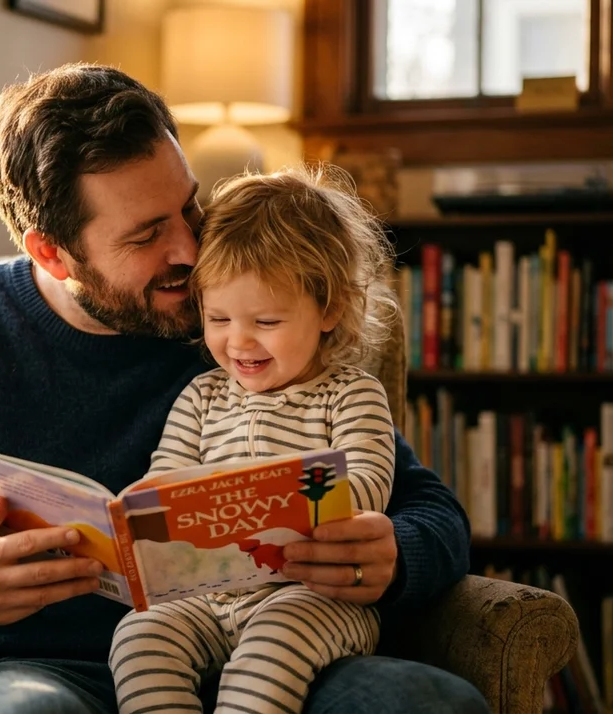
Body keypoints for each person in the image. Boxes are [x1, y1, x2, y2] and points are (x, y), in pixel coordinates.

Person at [0, 62, 485, 714]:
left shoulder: (247, 323)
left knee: (428, 701)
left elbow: (430, 510)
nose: (191, 252)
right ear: (52, 251)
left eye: (189, 208)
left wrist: (397, 553)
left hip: (268, 665)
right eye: (145, 235)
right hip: (27, 671)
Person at [110, 166, 398, 714]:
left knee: (274, 645)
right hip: (202, 596)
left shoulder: (351, 394)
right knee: (138, 637)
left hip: (309, 597)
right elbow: (163, 477)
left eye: (265, 321)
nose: (237, 341)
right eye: (217, 318)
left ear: (329, 308)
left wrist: (286, 499)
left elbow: (367, 486)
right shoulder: (201, 396)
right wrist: (139, 511)